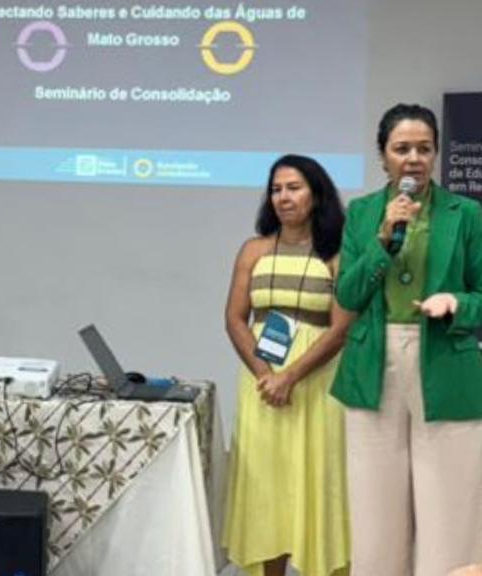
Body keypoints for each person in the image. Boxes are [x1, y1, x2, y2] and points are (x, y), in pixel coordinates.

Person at [332, 103, 482, 576]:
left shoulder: (467, 214)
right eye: (402, 149)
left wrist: (457, 303)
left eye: (424, 148)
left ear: (436, 153)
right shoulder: (363, 213)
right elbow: (348, 294)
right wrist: (382, 239)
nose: (414, 158)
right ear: (383, 156)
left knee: (450, 510)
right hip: (373, 365)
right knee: (375, 511)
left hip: (446, 360)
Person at [223, 154, 352, 576]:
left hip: (317, 385)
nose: (283, 197)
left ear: (317, 194)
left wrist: (290, 377)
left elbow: (341, 329)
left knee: (316, 481)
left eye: (294, 188)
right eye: (276, 189)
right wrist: (267, 376)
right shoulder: (254, 249)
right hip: (262, 387)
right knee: (266, 488)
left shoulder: (338, 253)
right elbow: (234, 318)